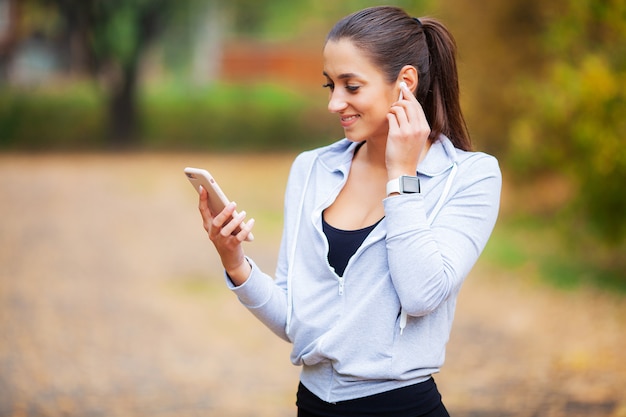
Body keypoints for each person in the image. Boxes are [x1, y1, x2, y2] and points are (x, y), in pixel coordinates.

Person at [197, 6, 501, 417]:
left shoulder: (469, 176)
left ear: (405, 83)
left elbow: (421, 294)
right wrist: (234, 262)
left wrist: (402, 174)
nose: (334, 103)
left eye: (352, 86)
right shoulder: (312, 169)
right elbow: (293, 320)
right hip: (313, 405)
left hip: (402, 409)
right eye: (330, 85)